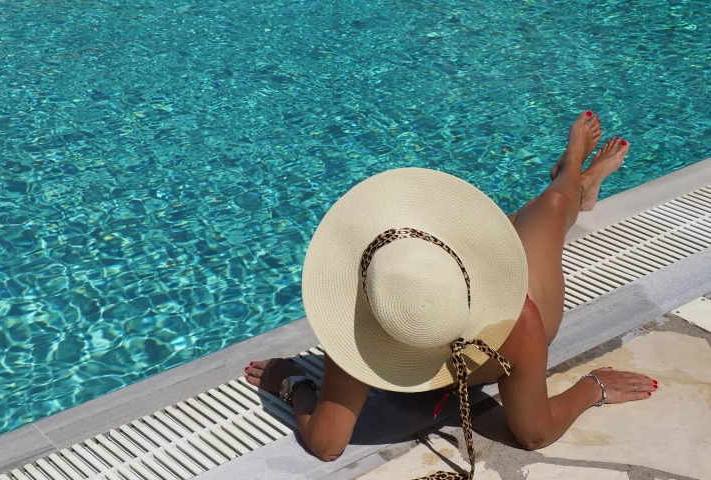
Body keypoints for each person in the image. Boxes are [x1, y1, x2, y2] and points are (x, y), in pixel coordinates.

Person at [243, 111, 654, 477]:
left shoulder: (364, 318)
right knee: (547, 209)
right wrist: (591, 387)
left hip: (514, 308)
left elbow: (327, 443)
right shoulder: (514, 318)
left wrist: (294, 384)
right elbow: (534, 433)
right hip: (517, 310)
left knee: (541, 211)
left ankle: (577, 176)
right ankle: (575, 180)